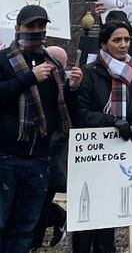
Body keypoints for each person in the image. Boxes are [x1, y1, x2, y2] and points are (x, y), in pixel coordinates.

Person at [0, 6, 81, 253]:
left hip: (39, 159)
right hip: (7, 157)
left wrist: (72, 88)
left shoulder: (52, 62)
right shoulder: (3, 60)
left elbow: (59, 109)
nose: (36, 32)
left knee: (25, 228)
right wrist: (29, 78)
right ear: (17, 29)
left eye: (41, 27)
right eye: (30, 27)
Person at [74, 20, 132, 253]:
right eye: (117, 40)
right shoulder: (90, 73)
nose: (123, 45)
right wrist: (112, 122)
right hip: (92, 157)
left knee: (109, 214)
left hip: (121, 153)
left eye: (127, 39)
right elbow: (81, 114)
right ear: (104, 44)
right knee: (87, 215)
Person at [29, 46, 70, 251]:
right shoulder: (34, 81)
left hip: (51, 159)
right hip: (33, 154)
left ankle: (34, 245)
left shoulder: (65, 86)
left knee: (39, 207)